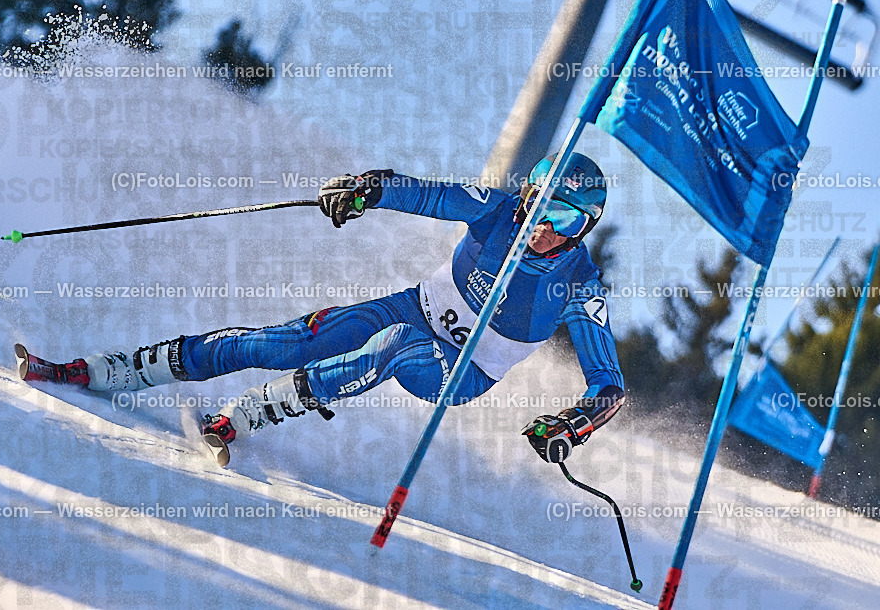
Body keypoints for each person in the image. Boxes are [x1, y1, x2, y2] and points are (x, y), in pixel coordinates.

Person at [31, 153, 625, 464]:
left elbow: (609, 388)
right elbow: (427, 195)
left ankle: (256, 411)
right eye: (541, 204)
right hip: (414, 307)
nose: (544, 226)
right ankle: (114, 369)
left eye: (565, 218)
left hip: (460, 370)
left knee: (398, 348)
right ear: (527, 194)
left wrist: (572, 424)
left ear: (584, 228)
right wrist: (368, 188)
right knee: (290, 340)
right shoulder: (495, 209)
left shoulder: (579, 286)